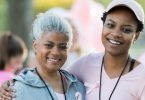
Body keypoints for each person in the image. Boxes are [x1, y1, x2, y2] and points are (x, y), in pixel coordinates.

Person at [1, 0, 145, 100]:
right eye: (110, 25)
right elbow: (49, 74)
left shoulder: (142, 76)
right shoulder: (85, 64)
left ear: (136, 35)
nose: (116, 33)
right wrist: (12, 84)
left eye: (126, 29)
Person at [0, 11, 86, 100]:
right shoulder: (17, 90)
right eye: (49, 45)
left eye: (62, 47)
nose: (55, 52)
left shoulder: (78, 86)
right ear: (35, 46)